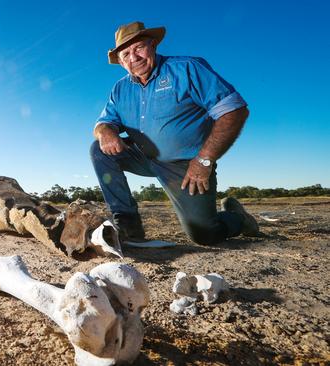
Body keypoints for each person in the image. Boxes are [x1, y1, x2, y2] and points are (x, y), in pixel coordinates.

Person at [90, 21, 259, 245]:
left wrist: (204, 160)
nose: (134, 57)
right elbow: (104, 123)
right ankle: (128, 226)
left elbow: (234, 110)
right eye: (126, 53)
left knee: (204, 235)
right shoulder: (120, 89)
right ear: (120, 61)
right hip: (144, 158)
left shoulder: (187, 68)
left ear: (153, 45)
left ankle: (238, 219)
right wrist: (106, 132)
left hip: (187, 167)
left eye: (139, 48)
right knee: (99, 150)